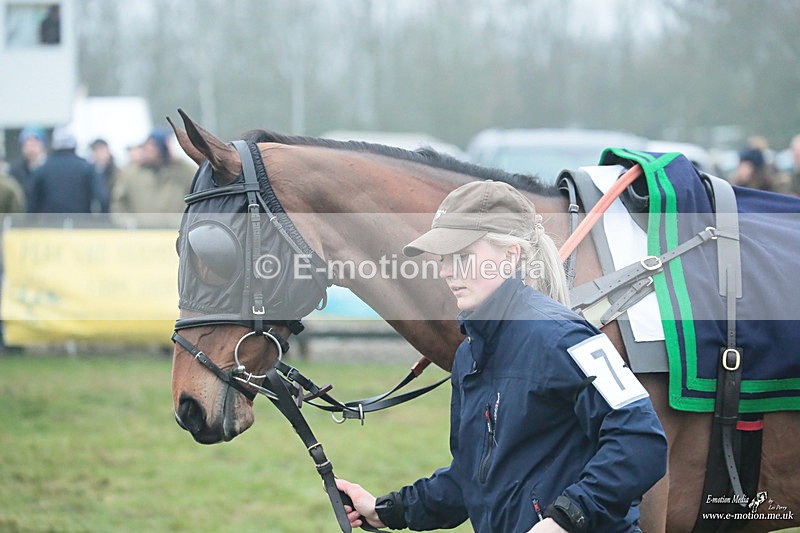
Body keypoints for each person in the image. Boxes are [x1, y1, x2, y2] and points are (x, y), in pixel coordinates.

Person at [336, 181, 668, 532]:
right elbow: (470, 480)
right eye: (445, 258)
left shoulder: (562, 337)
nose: (447, 270)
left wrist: (564, 520)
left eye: (462, 256)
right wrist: (385, 510)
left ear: (509, 257)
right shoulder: (469, 354)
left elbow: (641, 441)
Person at [111, 128, 195, 227]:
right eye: (146, 146)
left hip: (174, 232)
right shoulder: (130, 173)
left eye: (153, 146)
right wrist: (128, 223)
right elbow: (118, 203)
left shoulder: (182, 171)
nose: (147, 150)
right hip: (140, 235)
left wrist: (182, 222)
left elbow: (197, 191)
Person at [27, 126, 109, 214]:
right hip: (81, 224)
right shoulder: (87, 168)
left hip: (51, 224)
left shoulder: (42, 169)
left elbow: (31, 201)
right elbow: (103, 198)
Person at [9, 126, 47, 205]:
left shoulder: (50, 170)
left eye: (34, 143)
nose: (30, 147)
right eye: (27, 144)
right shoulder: (15, 172)